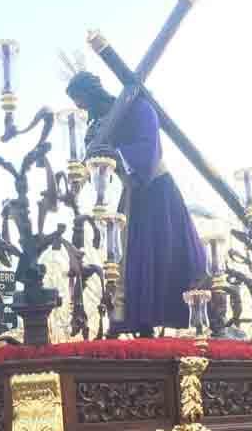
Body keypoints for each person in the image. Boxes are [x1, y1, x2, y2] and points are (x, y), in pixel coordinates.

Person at [65, 70, 207, 336]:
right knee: (127, 259)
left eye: (80, 99)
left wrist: (116, 154)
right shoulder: (100, 125)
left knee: (157, 253)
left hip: (157, 190)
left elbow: (149, 150)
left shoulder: (138, 107)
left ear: (91, 92)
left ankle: (168, 316)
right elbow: (96, 166)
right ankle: (137, 321)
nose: (80, 107)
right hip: (132, 195)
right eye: (76, 102)